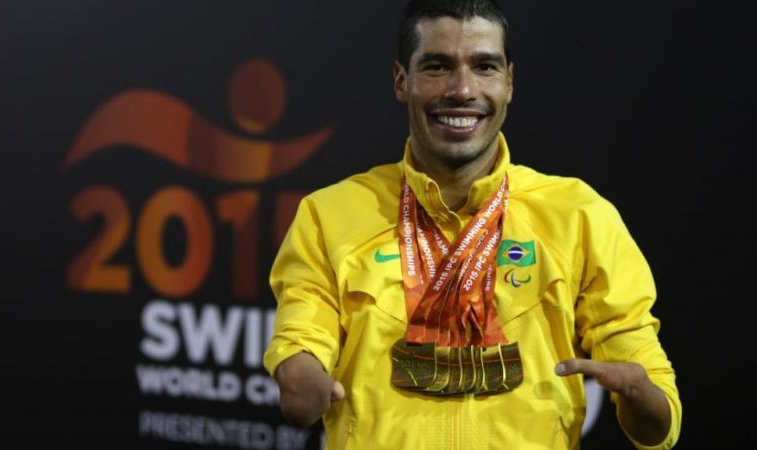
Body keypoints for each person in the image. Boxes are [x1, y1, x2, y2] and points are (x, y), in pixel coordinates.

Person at [263, 0, 681, 448]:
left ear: (509, 82)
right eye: (438, 67)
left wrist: (638, 390)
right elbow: (302, 335)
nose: (462, 90)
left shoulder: (579, 215)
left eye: (484, 67)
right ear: (402, 81)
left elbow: (657, 424)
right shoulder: (329, 215)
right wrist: (301, 370)